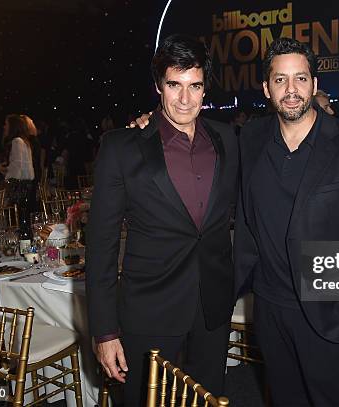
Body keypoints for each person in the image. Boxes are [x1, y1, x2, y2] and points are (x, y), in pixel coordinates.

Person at [233, 37, 339, 406]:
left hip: (329, 314)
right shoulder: (251, 138)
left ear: (315, 84)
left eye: (301, 79)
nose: (291, 90)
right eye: (280, 80)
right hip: (269, 308)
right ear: (266, 88)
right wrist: (152, 124)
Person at [86, 34, 238, 406]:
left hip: (212, 307)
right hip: (149, 309)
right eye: (175, 85)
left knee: (208, 398)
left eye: (195, 86)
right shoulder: (121, 146)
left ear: (206, 89)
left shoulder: (228, 138)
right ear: (158, 86)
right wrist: (105, 332)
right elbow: (101, 244)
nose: (185, 99)